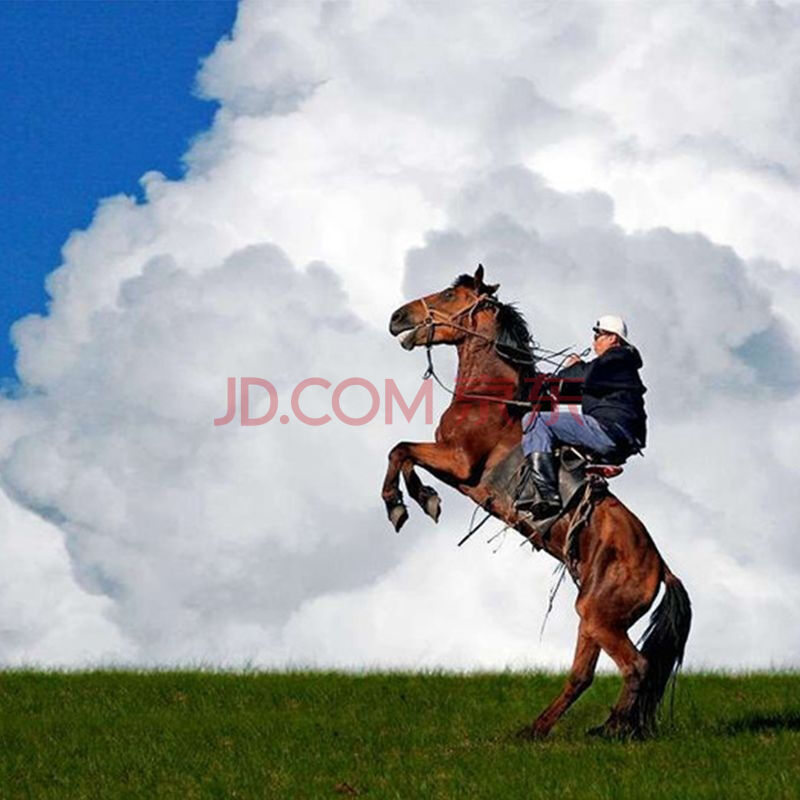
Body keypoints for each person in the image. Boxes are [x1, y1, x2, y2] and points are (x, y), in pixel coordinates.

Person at [516, 314, 647, 520]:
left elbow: (580, 376)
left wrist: (572, 368)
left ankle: (547, 495)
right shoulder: (616, 368)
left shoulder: (616, 359)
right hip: (619, 436)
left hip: (608, 430)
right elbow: (571, 389)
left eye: (598, 336)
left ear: (613, 338)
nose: (594, 341)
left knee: (535, 420)